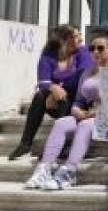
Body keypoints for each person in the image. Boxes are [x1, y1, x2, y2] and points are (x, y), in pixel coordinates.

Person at [24, 32, 108, 190]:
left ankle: (69, 172)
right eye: (92, 48)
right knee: (62, 122)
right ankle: (43, 170)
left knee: (85, 125)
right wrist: (76, 111)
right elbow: (78, 101)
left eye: (100, 48)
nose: (95, 52)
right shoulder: (86, 73)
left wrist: (92, 114)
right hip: (87, 115)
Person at [9, 25, 93, 160]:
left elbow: (82, 76)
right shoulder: (48, 56)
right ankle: (25, 143)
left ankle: (58, 147)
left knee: (62, 99)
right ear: (63, 40)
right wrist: (52, 88)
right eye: (76, 36)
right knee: (39, 96)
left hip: (79, 102)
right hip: (57, 102)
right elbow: (42, 82)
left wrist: (56, 88)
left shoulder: (83, 52)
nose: (81, 39)